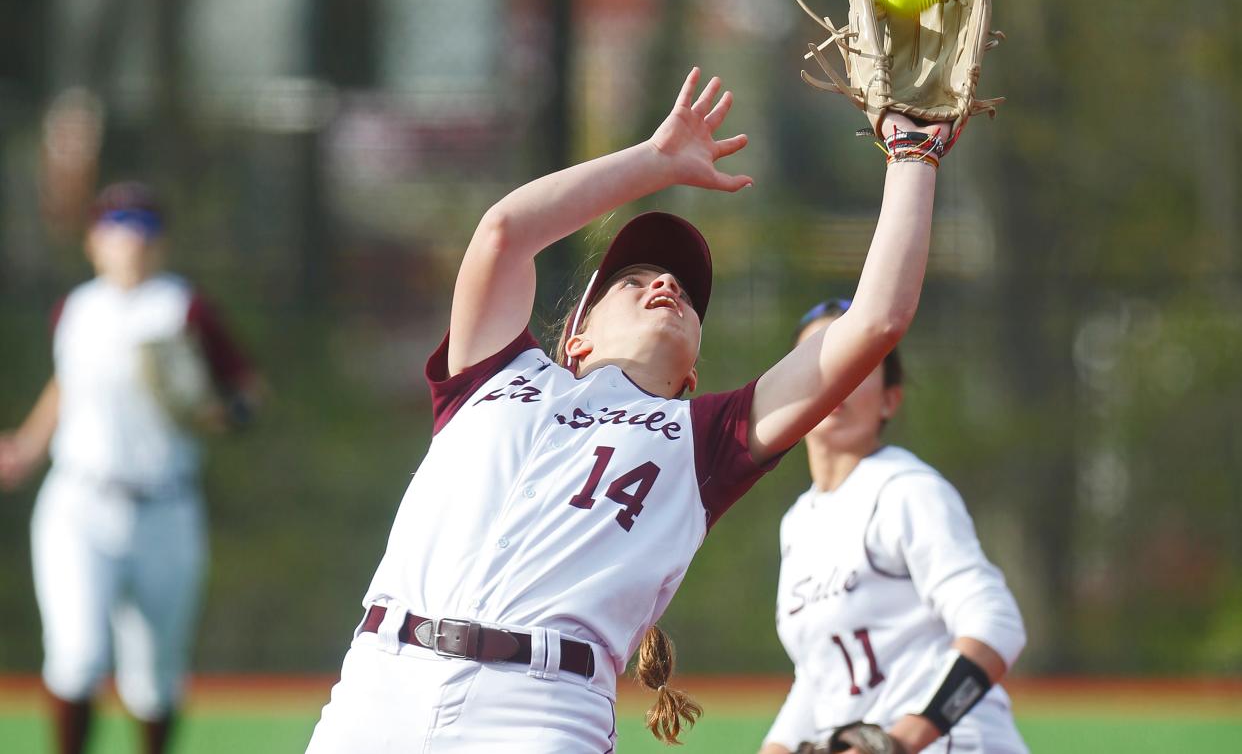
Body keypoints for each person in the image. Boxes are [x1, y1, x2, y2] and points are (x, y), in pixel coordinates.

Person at [306, 67, 952, 753]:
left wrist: (912, 154)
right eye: (634, 280)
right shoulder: (493, 376)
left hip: (539, 711)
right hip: (380, 685)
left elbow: (877, 320)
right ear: (577, 338)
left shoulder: (702, 440)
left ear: (691, 374)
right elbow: (503, 231)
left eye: (683, 293)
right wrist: (653, 163)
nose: (667, 284)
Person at [0, 182, 263, 754]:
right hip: (80, 502)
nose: (131, 239)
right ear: (95, 241)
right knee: (76, 656)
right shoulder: (75, 308)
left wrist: (215, 412)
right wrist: (26, 445)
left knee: (155, 674)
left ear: (160, 242)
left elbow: (247, 391)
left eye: (144, 227)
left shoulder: (183, 307)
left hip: (165, 506)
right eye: (118, 226)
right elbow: (67, 383)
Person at [758, 298, 1028, 754]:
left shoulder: (905, 489)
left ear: (890, 399)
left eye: (859, 360)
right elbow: (821, 678)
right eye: (821, 357)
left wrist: (898, 742)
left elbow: (996, 624)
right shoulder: (799, 522)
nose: (838, 372)